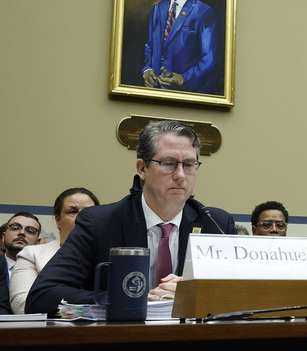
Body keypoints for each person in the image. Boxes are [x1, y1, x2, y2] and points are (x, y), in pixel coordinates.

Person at [26, 120, 235, 316]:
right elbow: (41, 297)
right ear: (142, 169)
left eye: (189, 165)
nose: (181, 175)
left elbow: (244, 297)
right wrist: (136, 300)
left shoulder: (215, 224)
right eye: (169, 163)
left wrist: (193, 296)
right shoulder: (99, 222)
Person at [9, 188, 99, 313]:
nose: (82, 217)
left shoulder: (109, 254)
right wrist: (94, 308)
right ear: (58, 220)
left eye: (89, 212)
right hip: (49, 330)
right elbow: (23, 306)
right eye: (72, 211)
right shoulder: (32, 255)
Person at [142, 0, 221, 95]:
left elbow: (209, 58)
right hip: (156, 92)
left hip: (188, 93)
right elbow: (150, 45)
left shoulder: (206, 13)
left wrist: (185, 78)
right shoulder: (158, 8)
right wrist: (147, 69)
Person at [251, 201, 307, 279]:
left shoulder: (301, 258)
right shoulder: (244, 257)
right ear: (254, 230)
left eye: (280, 225)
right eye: (266, 225)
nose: (274, 229)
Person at [3, 212, 41, 280]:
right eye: (15, 228)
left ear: (37, 242)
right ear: (3, 237)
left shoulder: (45, 272)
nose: (22, 232)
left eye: (30, 231)